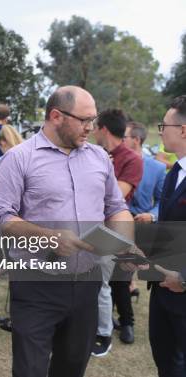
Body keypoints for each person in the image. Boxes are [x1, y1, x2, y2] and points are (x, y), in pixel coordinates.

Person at [0, 86, 142, 377]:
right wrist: (49, 237)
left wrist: (125, 241)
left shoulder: (98, 158)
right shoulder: (19, 158)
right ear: (56, 116)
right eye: (84, 120)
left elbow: (116, 206)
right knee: (29, 370)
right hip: (36, 285)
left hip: (87, 283)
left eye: (93, 120)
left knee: (72, 367)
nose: (90, 128)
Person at [91, 108, 143, 352]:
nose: (90, 131)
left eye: (94, 125)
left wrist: (103, 170)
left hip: (111, 230)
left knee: (107, 284)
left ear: (103, 129)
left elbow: (115, 197)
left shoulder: (131, 159)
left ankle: (104, 334)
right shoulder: (90, 153)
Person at [145, 95, 186, 377]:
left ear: (183, 130)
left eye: (164, 125)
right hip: (162, 290)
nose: (161, 131)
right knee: (166, 361)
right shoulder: (175, 173)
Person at [124, 122, 166, 223]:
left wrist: (152, 215)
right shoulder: (112, 163)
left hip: (143, 225)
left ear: (137, 140)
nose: (119, 140)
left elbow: (162, 201)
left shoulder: (157, 168)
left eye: (124, 137)